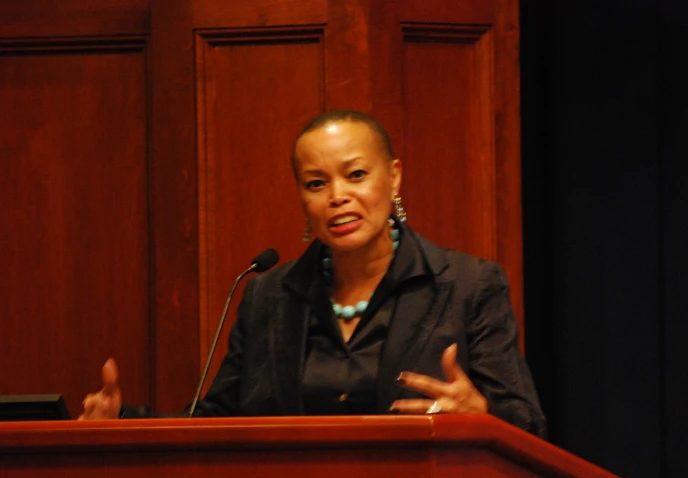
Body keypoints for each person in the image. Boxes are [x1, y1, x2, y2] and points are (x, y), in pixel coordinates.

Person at [80, 110, 547, 438]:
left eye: (356, 174)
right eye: (317, 183)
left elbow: (528, 423)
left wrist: (481, 413)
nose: (337, 196)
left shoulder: (466, 285)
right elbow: (218, 421)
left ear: (395, 177)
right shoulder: (268, 295)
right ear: (302, 198)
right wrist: (123, 419)